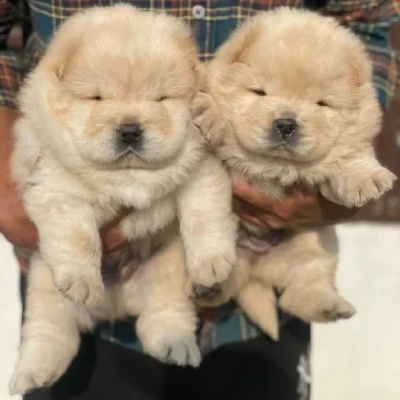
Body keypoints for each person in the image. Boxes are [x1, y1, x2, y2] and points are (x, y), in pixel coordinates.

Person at [0, 1, 399, 399]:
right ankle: (50, 342)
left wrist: (348, 151)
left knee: (209, 260)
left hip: (245, 312)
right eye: (98, 99)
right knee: (54, 304)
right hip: (75, 293)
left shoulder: (195, 118)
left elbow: (366, 22)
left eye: (159, 100)